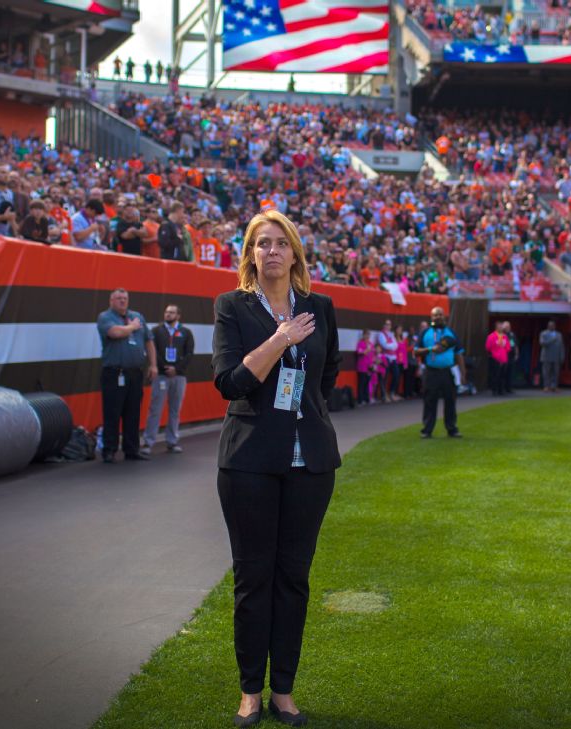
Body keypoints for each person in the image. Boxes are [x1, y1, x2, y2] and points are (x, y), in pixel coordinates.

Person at [211, 209, 340, 727]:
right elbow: (231, 382)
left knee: (293, 578)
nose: (271, 252)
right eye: (261, 244)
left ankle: (283, 689)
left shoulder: (321, 307)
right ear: (251, 254)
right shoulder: (231, 307)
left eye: (280, 243)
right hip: (248, 463)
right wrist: (281, 338)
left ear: (295, 253)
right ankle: (249, 691)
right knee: (253, 577)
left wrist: (300, 419)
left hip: (310, 463)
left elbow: (326, 376)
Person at [96, 288, 155, 464]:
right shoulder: (105, 317)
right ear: (111, 301)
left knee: (133, 412)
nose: (122, 301)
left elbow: (149, 341)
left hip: (135, 373)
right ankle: (109, 450)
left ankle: (131, 449)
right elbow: (115, 333)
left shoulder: (137, 315)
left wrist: (153, 365)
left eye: (125, 298)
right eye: (119, 298)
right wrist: (132, 327)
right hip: (114, 373)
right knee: (112, 413)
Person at [144, 304, 194, 454]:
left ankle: (172, 442)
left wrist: (176, 369)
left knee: (175, 410)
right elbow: (153, 351)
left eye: (171, 312)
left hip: (178, 377)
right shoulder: (156, 331)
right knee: (155, 409)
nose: (168, 314)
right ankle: (148, 443)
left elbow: (189, 353)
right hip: (161, 375)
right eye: (166, 312)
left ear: (178, 316)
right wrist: (164, 367)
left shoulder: (186, 332)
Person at [416, 306, 463, 438]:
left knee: (450, 401)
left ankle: (452, 429)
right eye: (435, 315)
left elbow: (459, 354)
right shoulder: (425, 333)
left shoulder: (451, 332)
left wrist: (463, 374)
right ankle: (427, 430)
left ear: (444, 316)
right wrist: (431, 349)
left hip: (448, 372)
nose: (438, 317)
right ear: (431, 318)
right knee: (429, 401)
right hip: (431, 372)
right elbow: (415, 351)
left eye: (440, 315)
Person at [375, 320, 401, 402]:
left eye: (389, 325)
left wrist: (391, 345)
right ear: (384, 325)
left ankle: (392, 392)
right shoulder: (381, 334)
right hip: (385, 357)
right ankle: (383, 395)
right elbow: (384, 345)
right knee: (384, 377)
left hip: (393, 357)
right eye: (386, 324)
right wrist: (391, 345)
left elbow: (396, 345)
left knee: (396, 374)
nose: (388, 326)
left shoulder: (391, 335)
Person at [538, 320, 564, 393]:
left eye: (553, 325)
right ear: (548, 326)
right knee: (546, 372)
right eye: (551, 325)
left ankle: (554, 386)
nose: (552, 326)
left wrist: (562, 356)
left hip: (556, 357)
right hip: (546, 356)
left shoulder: (559, 334)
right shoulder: (543, 333)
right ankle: (546, 386)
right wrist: (552, 339)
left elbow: (561, 346)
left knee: (556, 372)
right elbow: (542, 343)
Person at [485, 322, 510, 396]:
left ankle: (501, 390)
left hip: (504, 358)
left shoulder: (505, 336)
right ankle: (494, 390)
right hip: (495, 358)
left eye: (501, 327)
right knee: (495, 375)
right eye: (499, 327)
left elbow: (508, 347)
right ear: (496, 327)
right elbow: (488, 347)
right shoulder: (491, 336)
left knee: (502, 375)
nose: (501, 328)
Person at [355, 329, 373, 405]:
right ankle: (360, 400)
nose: (367, 336)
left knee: (367, 383)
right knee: (361, 384)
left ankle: (366, 398)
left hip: (369, 367)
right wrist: (366, 350)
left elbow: (372, 355)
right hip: (362, 367)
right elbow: (359, 352)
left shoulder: (371, 344)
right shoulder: (360, 343)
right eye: (366, 334)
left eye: (368, 334)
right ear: (363, 335)